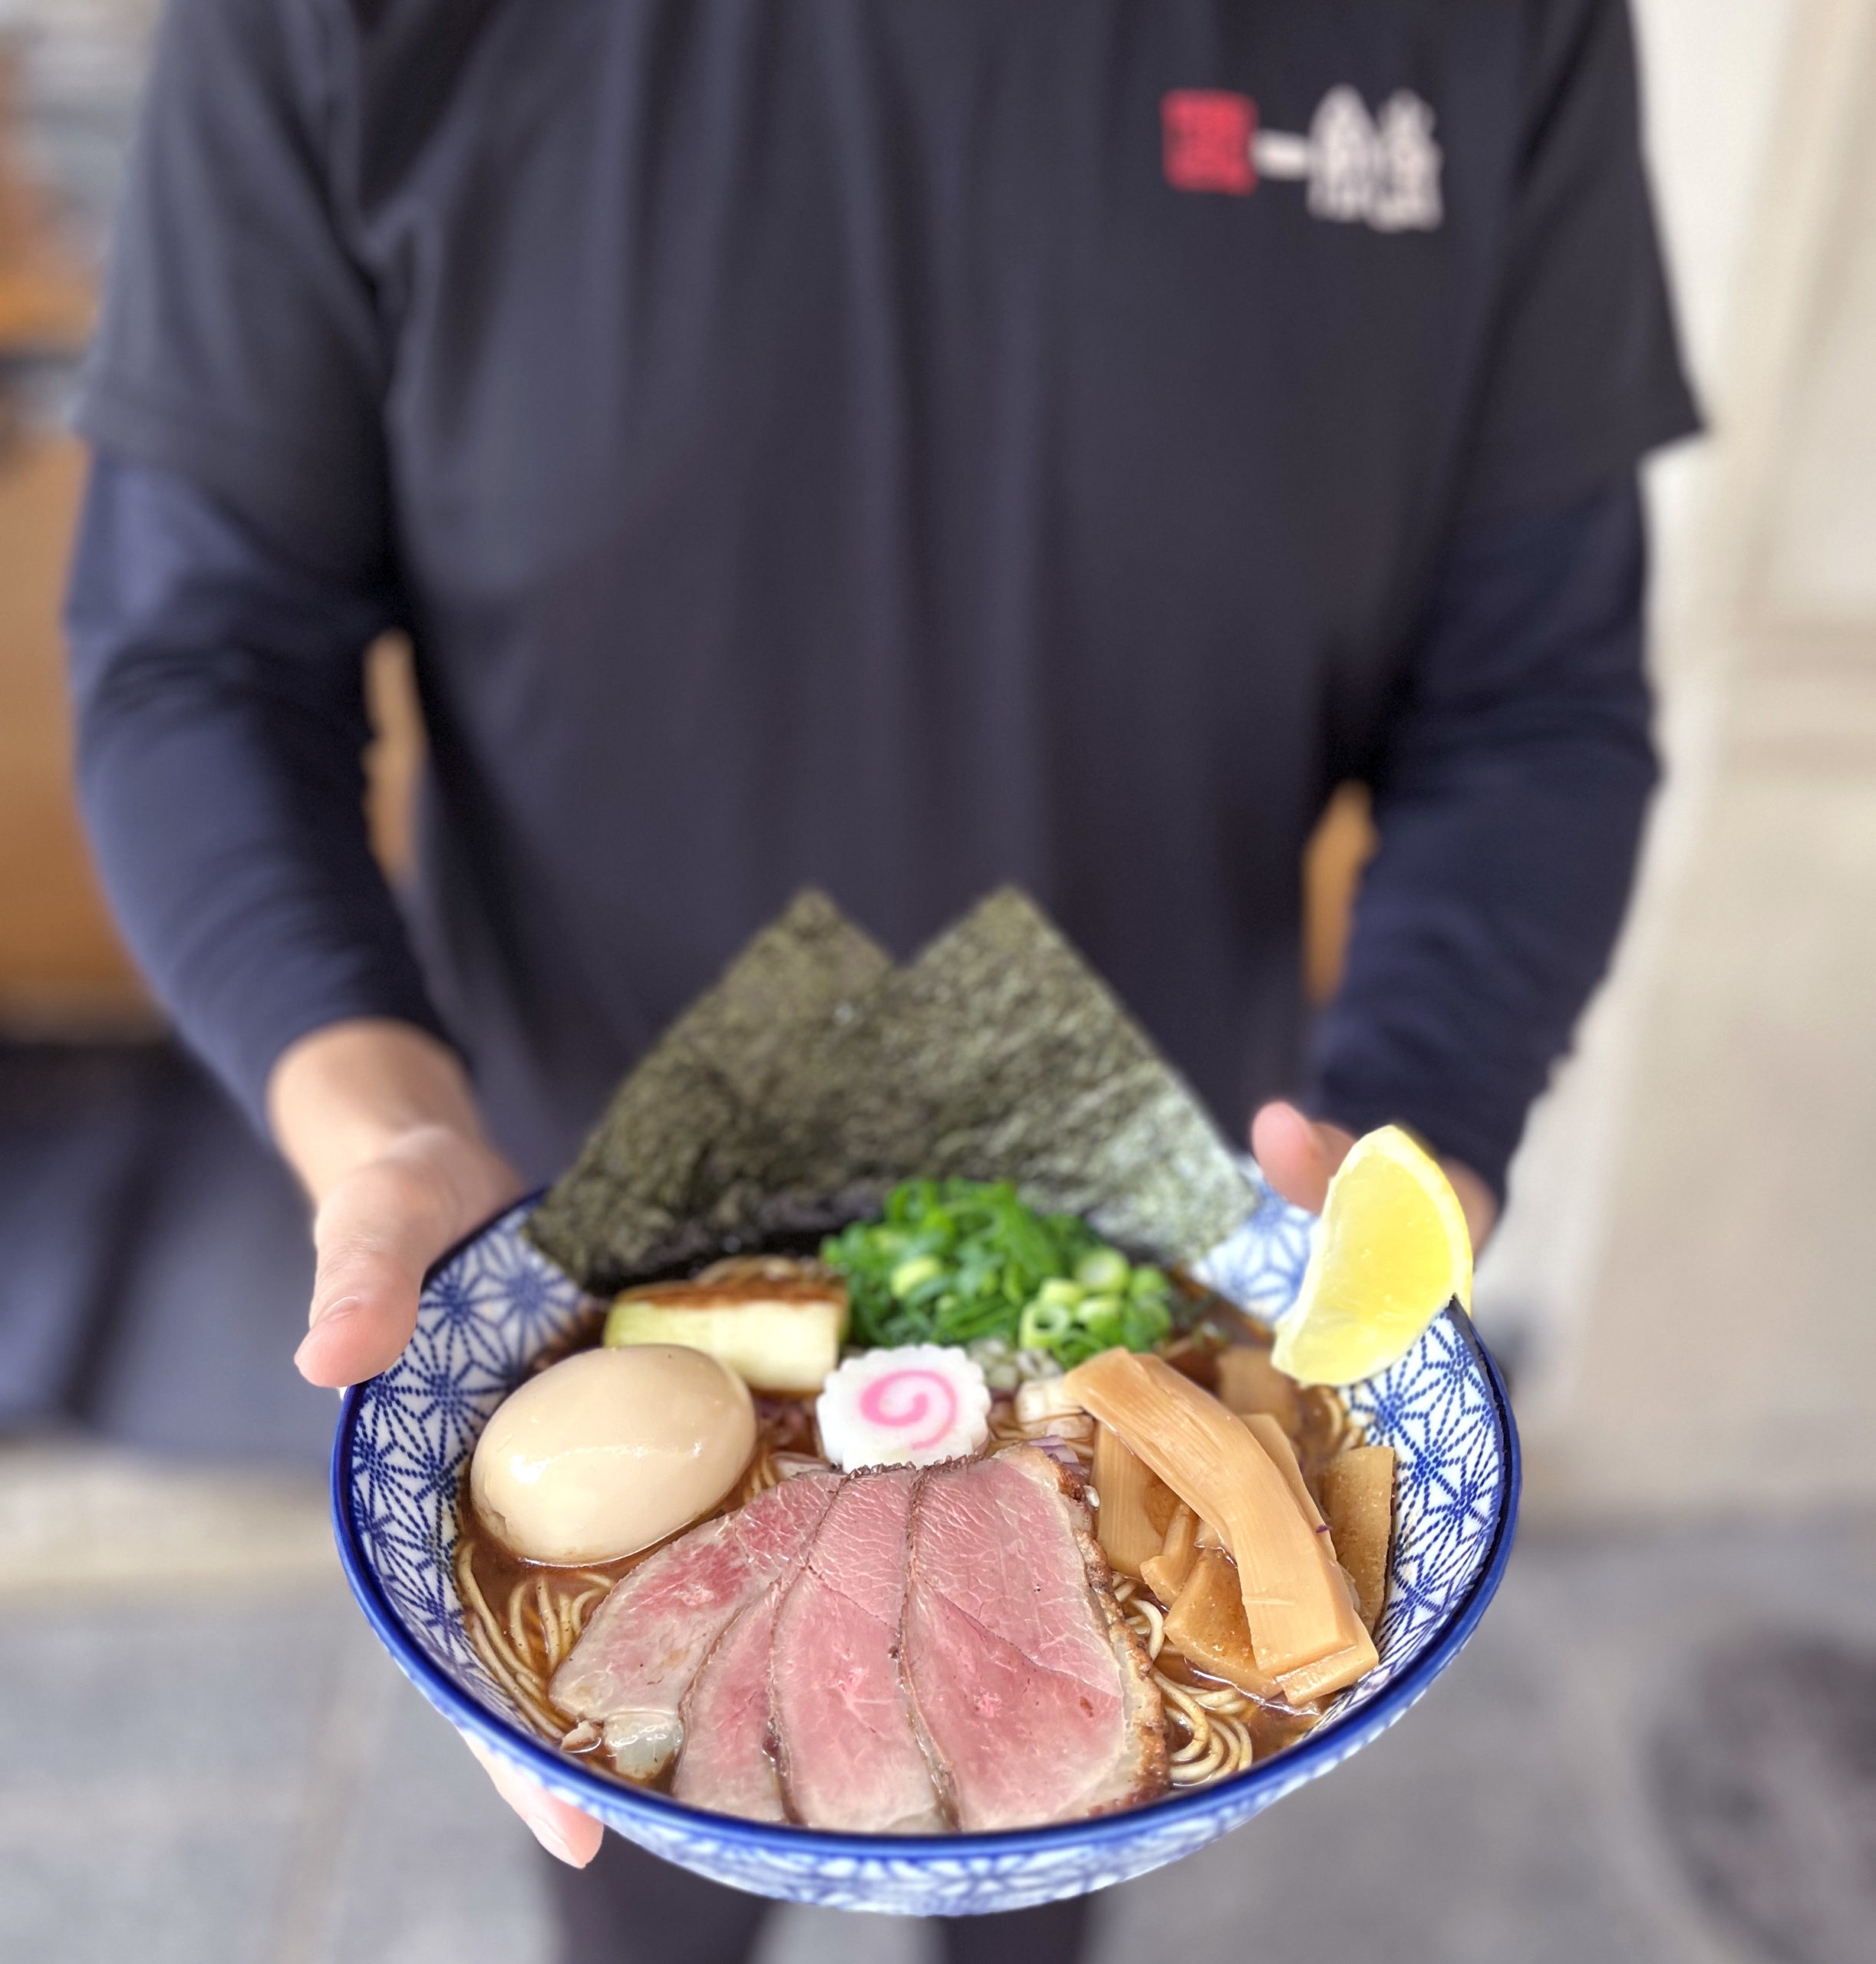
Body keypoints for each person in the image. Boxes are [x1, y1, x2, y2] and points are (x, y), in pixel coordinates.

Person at [63, 1, 1696, 1957]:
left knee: (1048, 1830)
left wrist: (1398, 1159)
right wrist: (380, 1117)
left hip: (1176, 1278)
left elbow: (1533, 699)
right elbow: (199, 656)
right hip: (581, 1253)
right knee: (639, 1851)